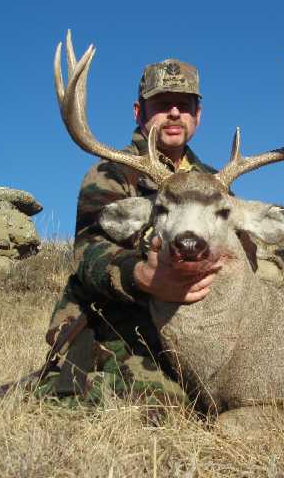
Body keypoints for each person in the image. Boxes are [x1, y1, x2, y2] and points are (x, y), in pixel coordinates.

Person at [35, 59, 219, 407]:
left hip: (197, 320)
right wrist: (143, 276)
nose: (175, 113)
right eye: (162, 104)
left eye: (185, 105)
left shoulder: (214, 182)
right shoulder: (111, 172)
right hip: (118, 317)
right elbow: (88, 253)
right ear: (140, 111)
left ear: (199, 114)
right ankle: (46, 390)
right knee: (166, 404)